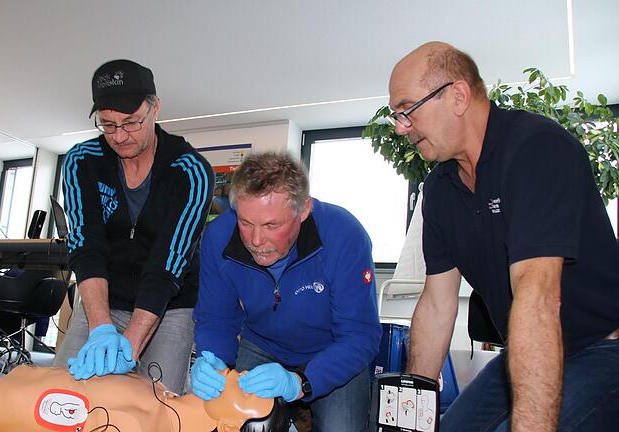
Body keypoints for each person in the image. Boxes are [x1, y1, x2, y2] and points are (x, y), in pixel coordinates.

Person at [387, 41, 619, 431]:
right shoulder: (440, 189)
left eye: (407, 110)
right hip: (524, 349)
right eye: (395, 115)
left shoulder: (537, 149)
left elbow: (538, 295)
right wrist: (412, 413)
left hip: (603, 349)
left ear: (458, 96)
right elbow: (437, 304)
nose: (400, 127)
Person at [54, 59, 214, 395]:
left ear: (155, 108)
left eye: (131, 122)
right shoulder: (80, 161)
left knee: (158, 401)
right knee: (65, 395)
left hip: (169, 306)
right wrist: (101, 328)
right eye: (108, 125)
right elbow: (86, 247)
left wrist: (133, 342)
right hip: (104, 298)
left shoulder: (191, 171)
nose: (120, 137)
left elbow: (168, 263)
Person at [192, 152, 382, 431]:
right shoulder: (218, 236)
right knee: (228, 422)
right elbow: (216, 318)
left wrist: (301, 383)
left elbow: (360, 335)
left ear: (304, 209)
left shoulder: (344, 235)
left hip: (332, 350)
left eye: (272, 225)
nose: (256, 240)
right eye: (245, 223)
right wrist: (212, 358)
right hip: (262, 343)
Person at [0, 364, 290, 432]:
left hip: (1, 402)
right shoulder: (162, 395)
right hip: (18, 378)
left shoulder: (137, 425)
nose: (243, 375)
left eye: (249, 391)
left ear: (227, 427)